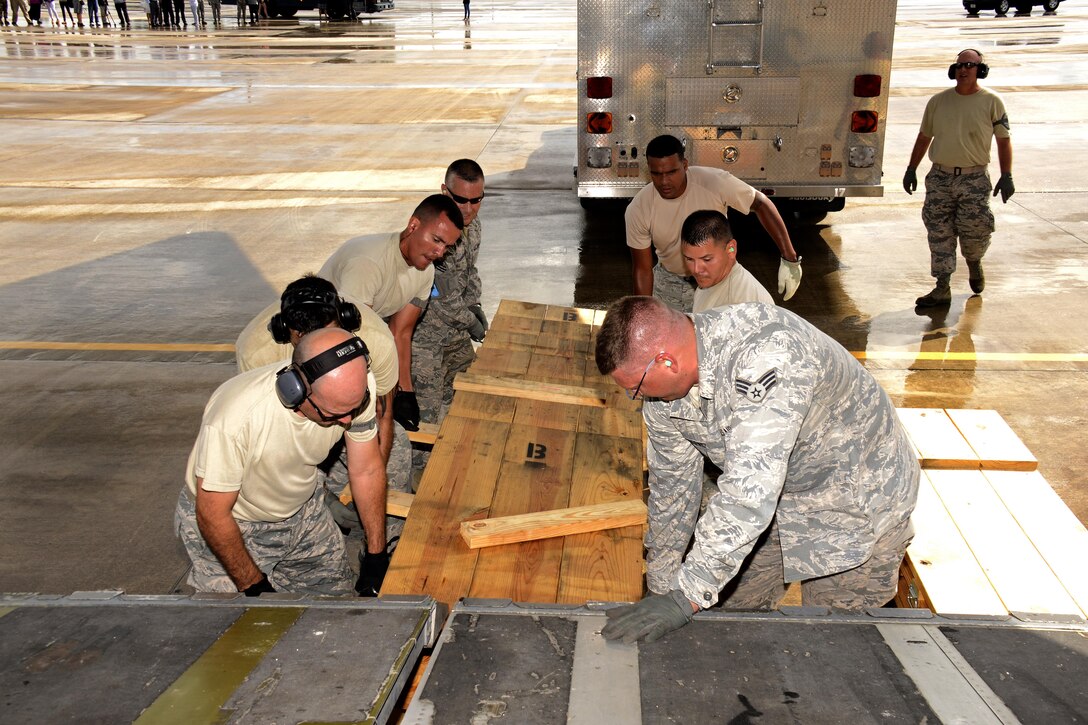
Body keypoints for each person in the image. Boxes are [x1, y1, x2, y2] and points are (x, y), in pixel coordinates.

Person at [594, 297, 919, 643]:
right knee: (730, 620)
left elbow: (749, 492)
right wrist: (662, 587)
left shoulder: (768, 355)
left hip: (856, 501)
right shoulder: (662, 398)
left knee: (830, 643)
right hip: (779, 499)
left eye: (635, 387)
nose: (633, 396)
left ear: (666, 361)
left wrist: (687, 594)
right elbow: (671, 490)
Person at [176, 328, 391, 597]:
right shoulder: (235, 419)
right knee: (243, 626)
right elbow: (212, 514)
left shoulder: (355, 388)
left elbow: (367, 470)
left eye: (354, 409)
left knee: (333, 606)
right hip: (236, 522)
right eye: (334, 413)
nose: (348, 421)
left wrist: (376, 552)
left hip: (303, 509)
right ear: (295, 391)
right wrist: (253, 585)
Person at [235, 275, 412, 544]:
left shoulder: (375, 341)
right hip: (293, 426)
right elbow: (272, 442)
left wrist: (369, 479)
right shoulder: (256, 353)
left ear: (345, 321)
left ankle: (383, 545)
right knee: (297, 507)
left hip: (352, 418)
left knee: (396, 450)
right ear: (287, 332)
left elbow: (382, 415)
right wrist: (323, 494)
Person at [318, 193, 464, 433]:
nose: (439, 252)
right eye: (436, 240)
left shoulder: (424, 270)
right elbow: (352, 337)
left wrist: (405, 392)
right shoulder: (369, 263)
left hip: (359, 337)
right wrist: (378, 397)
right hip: (322, 344)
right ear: (413, 225)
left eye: (447, 246)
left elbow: (401, 332)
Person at [626, 134, 802, 312]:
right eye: (656, 174)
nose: (664, 182)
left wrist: (790, 258)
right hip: (670, 282)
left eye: (671, 172)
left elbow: (761, 203)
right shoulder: (639, 208)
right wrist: (642, 312)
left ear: (685, 165)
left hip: (718, 279)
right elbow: (642, 269)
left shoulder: (715, 183)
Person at [904, 49, 1013, 308]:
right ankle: (942, 287)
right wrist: (911, 168)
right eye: (959, 65)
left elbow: (1003, 140)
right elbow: (924, 137)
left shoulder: (992, 101)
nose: (963, 70)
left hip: (973, 178)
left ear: (980, 70)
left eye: (970, 65)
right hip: (940, 176)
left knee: (974, 230)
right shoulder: (938, 101)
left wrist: (1006, 174)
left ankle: (974, 262)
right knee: (939, 231)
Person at [411, 160, 488, 431]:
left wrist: (475, 304)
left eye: (476, 200)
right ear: (445, 192)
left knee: (467, 404)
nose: (468, 209)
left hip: (455, 336)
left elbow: (470, 272)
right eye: (460, 199)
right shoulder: (434, 234)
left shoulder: (473, 226)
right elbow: (443, 298)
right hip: (426, 343)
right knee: (426, 421)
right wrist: (471, 321)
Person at [681, 209, 773, 312]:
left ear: (731, 249)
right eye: (689, 259)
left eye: (707, 259)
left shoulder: (738, 306)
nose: (696, 270)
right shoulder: (713, 281)